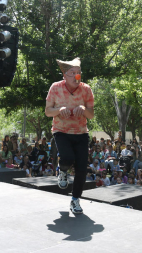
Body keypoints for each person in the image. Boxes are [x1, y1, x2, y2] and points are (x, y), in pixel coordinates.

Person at [45, 57, 94, 214]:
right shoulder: (55, 88)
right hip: (61, 131)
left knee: (81, 168)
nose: (76, 76)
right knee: (67, 158)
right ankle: (63, 170)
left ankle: (75, 200)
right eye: (72, 73)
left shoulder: (86, 89)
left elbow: (91, 114)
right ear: (64, 75)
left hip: (81, 132)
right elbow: (48, 111)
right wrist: (59, 110)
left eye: (78, 73)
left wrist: (83, 109)